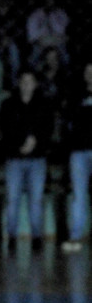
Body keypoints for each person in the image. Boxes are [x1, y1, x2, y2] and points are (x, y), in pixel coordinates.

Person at [0, 68, 54, 251]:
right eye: (23, 80)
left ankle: (37, 237)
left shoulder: (44, 104)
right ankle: (12, 237)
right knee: (12, 199)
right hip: (14, 158)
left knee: (36, 199)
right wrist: (20, 145)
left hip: (37, 158)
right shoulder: (8, 104)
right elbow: (4, 129)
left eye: (30, 80)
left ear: (36, 84)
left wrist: (35, 141)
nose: (26, 84)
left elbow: (48, 129)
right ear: (19, 83)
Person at [62, 59, 92, 252]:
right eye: (88, 70)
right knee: (78, 196)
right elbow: (70, 122)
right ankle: (75, 236)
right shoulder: (75, 96)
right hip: (78, 151)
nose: (91, 74)